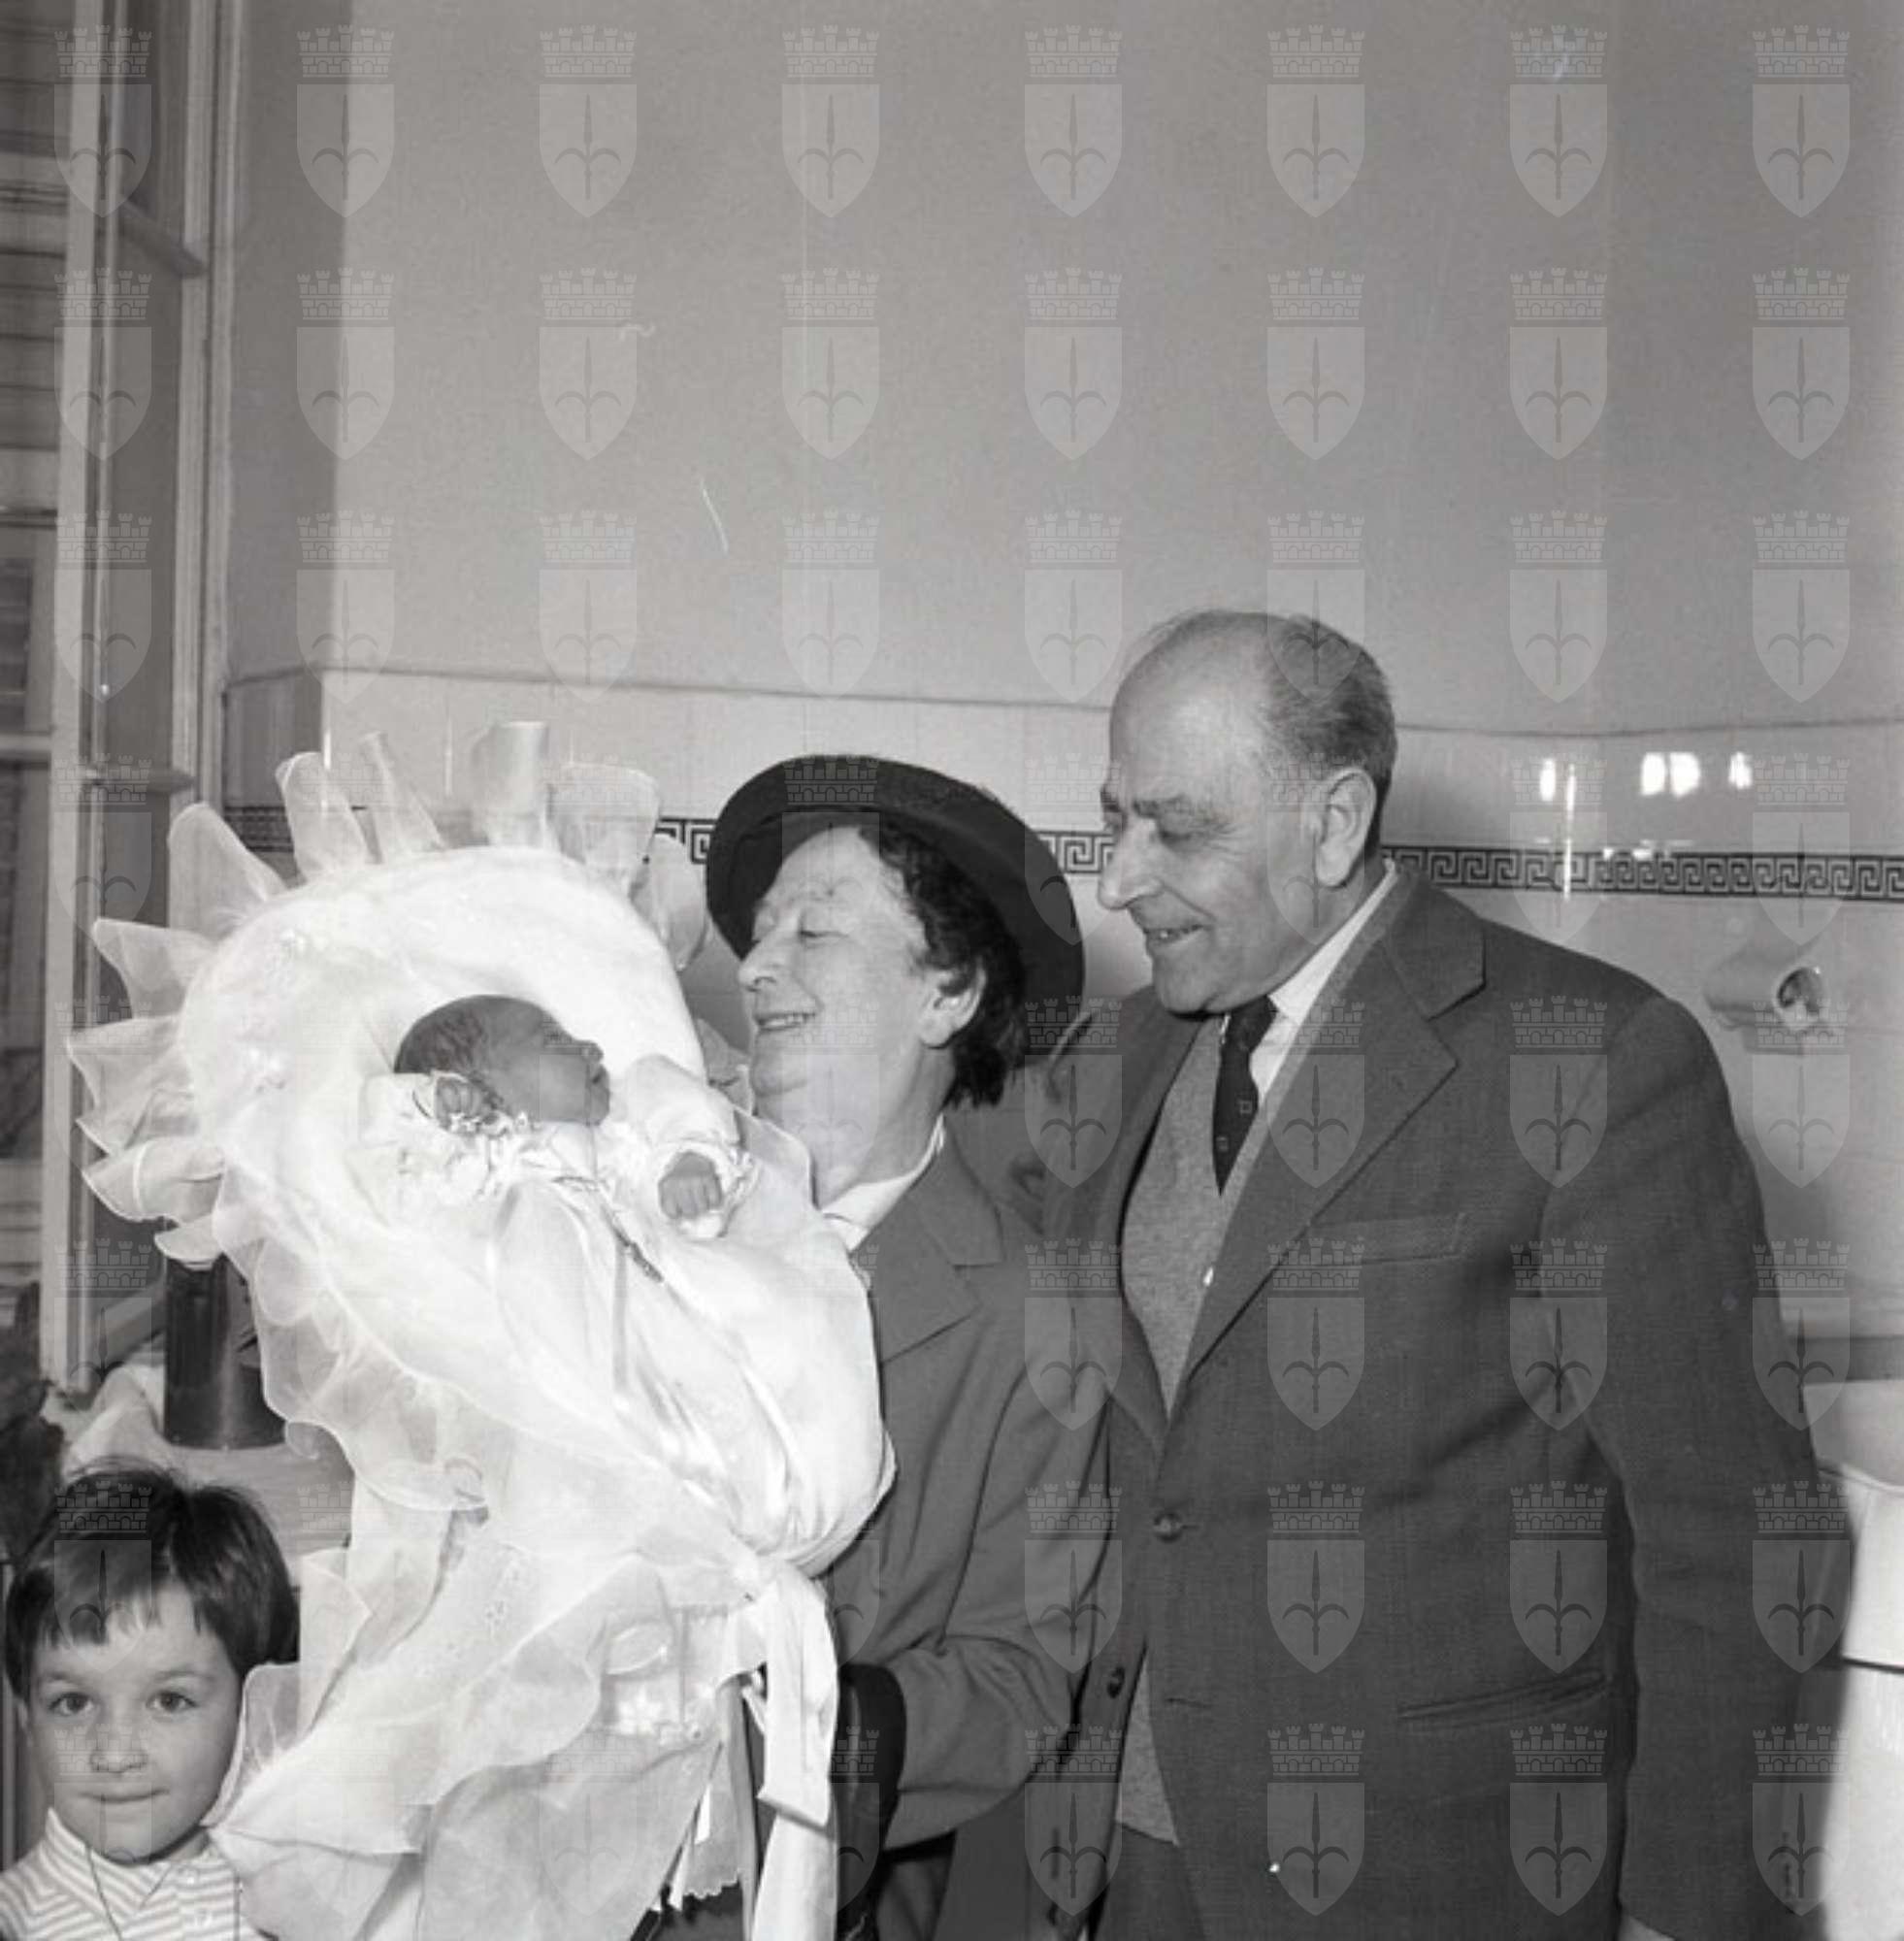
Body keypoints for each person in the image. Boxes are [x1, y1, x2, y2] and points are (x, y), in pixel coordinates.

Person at [1034, 611, 1825, 1938]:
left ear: (1335, 823)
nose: (1119, 880)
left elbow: (1735, 1537)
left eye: (1177, 830)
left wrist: (1687, 1916)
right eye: (1115, 819)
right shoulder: (1118, 1059)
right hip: (1134, 1854)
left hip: (1436, 1875)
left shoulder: (1593, 1063)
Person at [67, 736, 892, 1941]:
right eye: (559, 1046)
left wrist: (683, 1167)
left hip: (670, 1408)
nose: (595, 1051)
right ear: (484, 1096)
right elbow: (407, 1250)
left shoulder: (625, 1137)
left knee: (565, 1709)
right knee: (469, 1695)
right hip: (562, 1449)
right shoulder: (481, 1185)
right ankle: (327, 1820)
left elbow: (690, 1146)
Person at [691, 758, 1110, 1941]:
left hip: (819, 1888)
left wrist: (814, 1721)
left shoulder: (1037, 1312)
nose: (755, 965)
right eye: (761, 931)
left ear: (949, 992)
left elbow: (1022, 1677)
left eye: (815, 930)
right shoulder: (650, 1207)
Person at [0, 1464, 298, 1941]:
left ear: (252, 1709)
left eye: (170, 1701)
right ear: (27, 1720)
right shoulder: (16, 1923)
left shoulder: (310, 1882)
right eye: (73, 1703)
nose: (115, 1755)